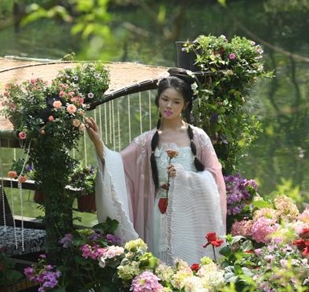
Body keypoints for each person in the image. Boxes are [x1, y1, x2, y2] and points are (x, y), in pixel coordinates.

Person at [85, 71, 227, 265]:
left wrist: (186, 177)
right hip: (160, 211)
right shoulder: (146, 141)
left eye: (176, 102)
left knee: (193, 266)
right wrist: (98, 143)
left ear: (185, 105)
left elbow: (214, 177)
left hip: (192, 212)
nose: (169, 106)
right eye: (165, 99)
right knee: (163, 265)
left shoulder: (198, 137)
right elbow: (118, 164)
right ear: (158, 100)